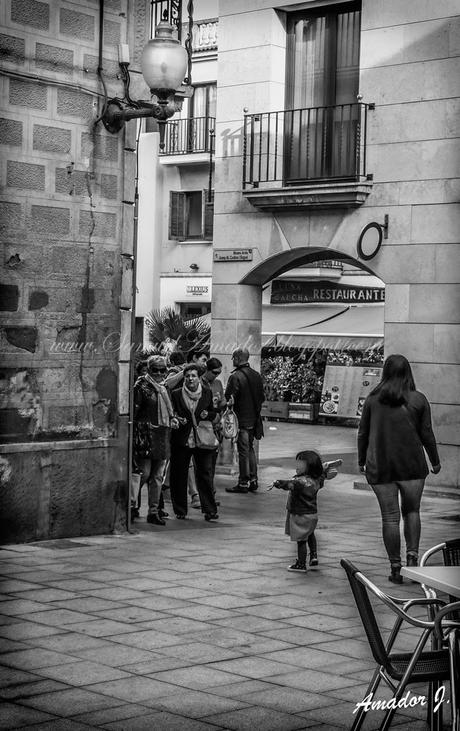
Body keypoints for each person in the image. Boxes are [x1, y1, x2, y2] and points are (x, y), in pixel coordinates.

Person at [357, 353, 441, 584]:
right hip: (412, 465)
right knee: (412, 511)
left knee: (390, 517)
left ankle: (395, 567)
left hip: (381, 465)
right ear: (408, 372)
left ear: (385, 372)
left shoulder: (373, 400)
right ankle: (413, 561)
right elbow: (427, 433)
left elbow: (363, 432)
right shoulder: (419, 399)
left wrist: (361, 460)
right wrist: (435, 461)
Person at [273, 451, 341, 572]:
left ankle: (301, 564)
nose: (296, 466)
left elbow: (289, 484)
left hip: (300, 514)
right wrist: (325, 468)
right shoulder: (316, 480)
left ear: (308, 467)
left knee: (301, 540)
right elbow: (322, 475)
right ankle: (314, 555)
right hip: (312, 514)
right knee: (310, 534)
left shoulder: (300, 482)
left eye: (300, 464)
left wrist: (277, 483)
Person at [169, 364, 219, 521]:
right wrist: (176, 419)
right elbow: (172, 413)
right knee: (178, 475)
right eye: (188, 376)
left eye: (193, 376)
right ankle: (180, 510)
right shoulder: (176, 394)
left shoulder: (207, 393)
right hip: (181, 439)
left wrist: (207, 414)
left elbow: (213, 413)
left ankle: (210, 510)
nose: (190, 378)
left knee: (205, 474)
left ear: (199, 378)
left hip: (202, 440)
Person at [133, 355, 177, 526]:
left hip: (163, 435)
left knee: (158, 476)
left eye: (162, 369)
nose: (159, 373)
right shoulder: (141, 386)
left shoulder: (164, 388)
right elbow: (134, 414)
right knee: (143, 474)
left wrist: (173, 419)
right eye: (155, 370)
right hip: (146, 436)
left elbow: (169, 410)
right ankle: (131, 505)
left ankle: (153, 511)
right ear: (149, 369)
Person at [224, 347, 265, 494]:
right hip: (254, 419)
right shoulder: (256, 375)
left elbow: (228, 397)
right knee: (250, 449)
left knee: (243, 451)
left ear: (236, 358)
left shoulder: (236, 377)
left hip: (241, 419)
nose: (232, 361)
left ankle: (243, 482)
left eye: (233, 358)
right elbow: (262, 397)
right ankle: (253, 480)